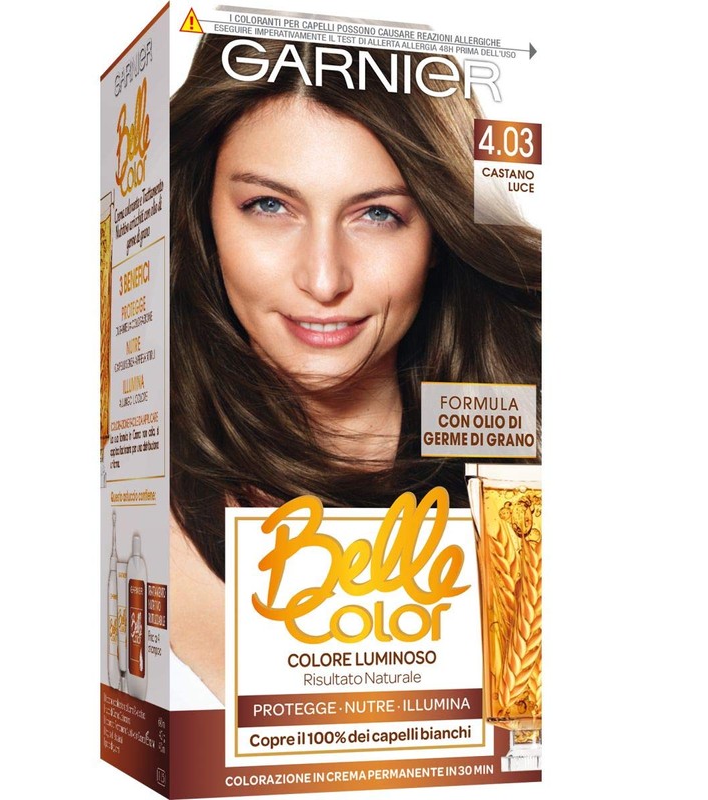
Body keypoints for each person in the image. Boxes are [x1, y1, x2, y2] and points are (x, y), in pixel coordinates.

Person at [168, 35, 541, 703]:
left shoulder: (529, 443)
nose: (323, 279)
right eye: (269, 206)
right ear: (204, 213)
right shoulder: (136, 489)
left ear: (437, 234)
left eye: (377, 214)